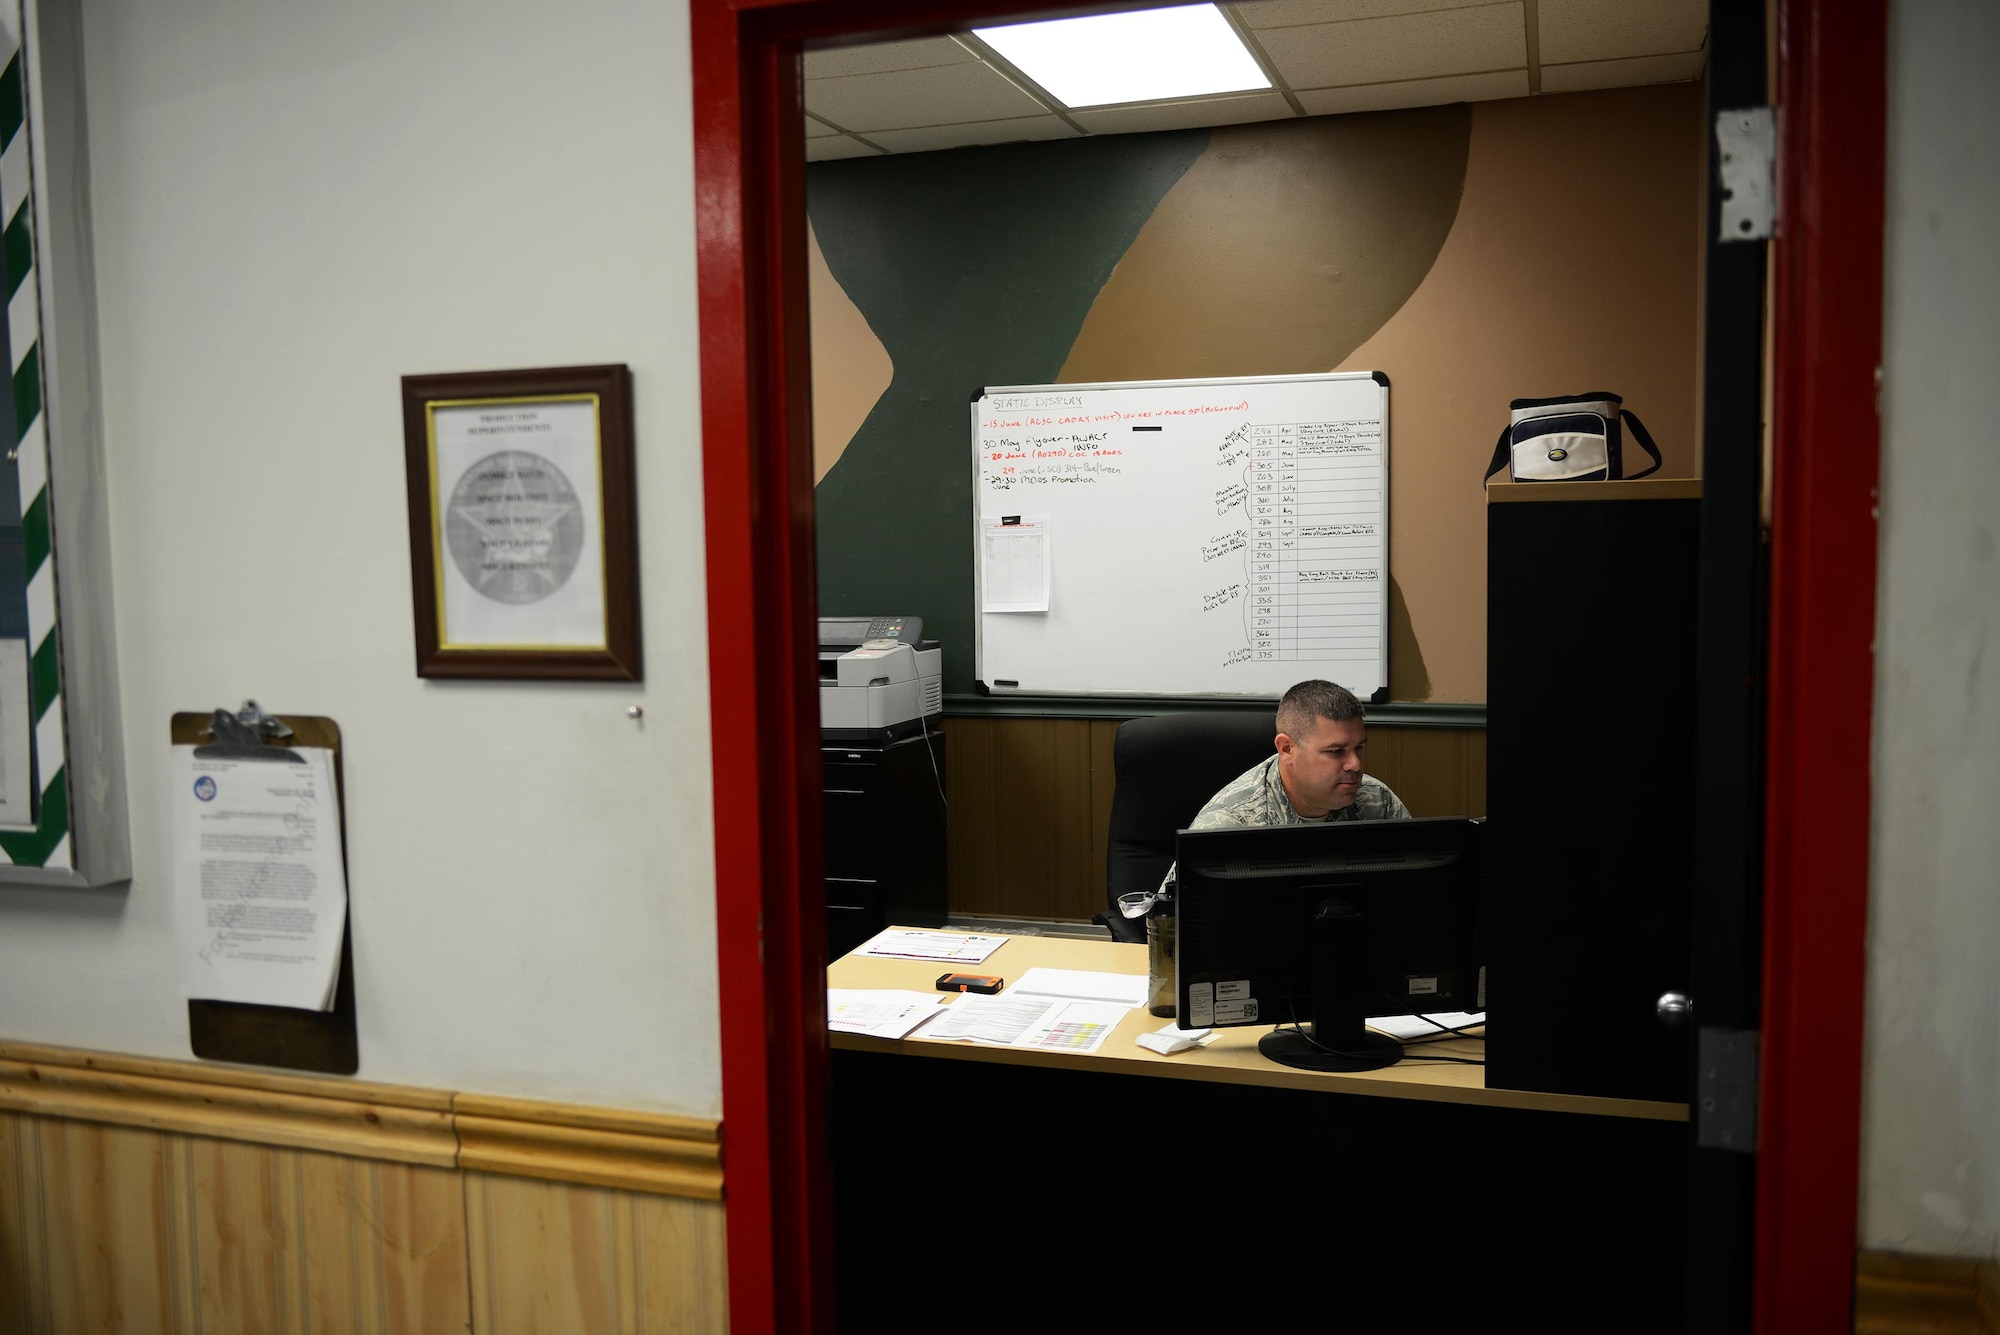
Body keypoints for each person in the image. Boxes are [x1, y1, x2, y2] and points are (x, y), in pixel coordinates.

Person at [1159, 679, 1408, 895]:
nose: (1355, 764)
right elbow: (1171, 922)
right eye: (1335, 752)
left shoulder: (1377, 801)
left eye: (1359, 748)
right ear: (1287, 749)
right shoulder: (1231, 822)